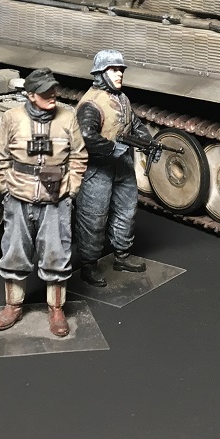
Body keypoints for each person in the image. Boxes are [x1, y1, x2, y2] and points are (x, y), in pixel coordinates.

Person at [0, 68, 87, 338]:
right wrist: (7, 189)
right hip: (19, 196)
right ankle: (13, 305)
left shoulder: (67, 117)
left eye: (53, 89)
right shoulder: (12, 118)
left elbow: (79, 156)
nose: (52, 95)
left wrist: (71, 189)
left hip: (56, 198)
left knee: (57, 253)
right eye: (45, 91)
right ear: (31, 95)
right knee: (14, 251)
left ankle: (56, 309)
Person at [73, 49, 156, 286]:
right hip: (97, 169)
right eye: (113, 69)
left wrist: (148, 142)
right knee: (93, 217)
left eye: (120, 69)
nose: (119, 74)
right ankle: (89, 264)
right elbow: (87, 136)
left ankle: (122, 255)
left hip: (123, 166)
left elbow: (134, 123)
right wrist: (112, 148)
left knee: (126, 210)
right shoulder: (91, 103)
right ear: (100, 73)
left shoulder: (122, 99)